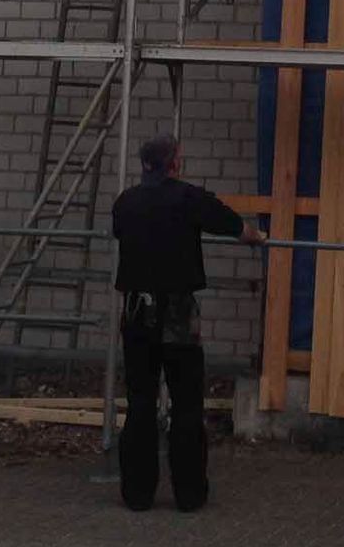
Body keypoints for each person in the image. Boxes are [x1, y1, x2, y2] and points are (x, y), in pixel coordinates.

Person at [110, 133, 266, 512]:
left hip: (136, 314)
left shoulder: (125, 202)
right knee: (185, 404)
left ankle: (137, 493)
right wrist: (257, 237)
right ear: (174, 164)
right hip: (178, 316)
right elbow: (231, 224)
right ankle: (189, 493)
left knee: (141, 401)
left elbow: (120, 233)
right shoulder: (188, 198)